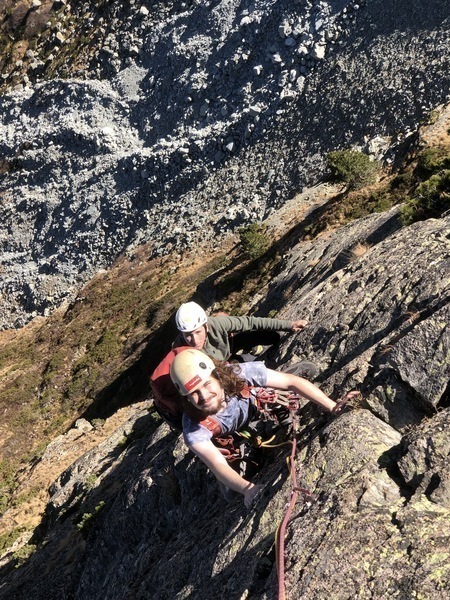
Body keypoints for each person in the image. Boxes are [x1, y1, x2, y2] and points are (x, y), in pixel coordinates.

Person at [170, 348, 359, 508]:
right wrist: (247, 489)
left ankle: (274, 393)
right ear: (186, 397)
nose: (204, 396)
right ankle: (252, 439)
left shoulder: (239, 374)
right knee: (230, 493)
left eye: (206, 384)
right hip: (233, 436)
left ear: (217, 376)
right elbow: (217, 464)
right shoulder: (193, 428)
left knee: (277, 386)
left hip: (256, 409)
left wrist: (332, 406)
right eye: (194, 393)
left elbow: (291, 382)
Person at [173, 301, 308, 361]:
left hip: (227, 349)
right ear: (181, 334)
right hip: (215, 369)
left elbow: (250, 322)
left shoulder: (216, 324)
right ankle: (243, 357)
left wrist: (289, 325)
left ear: (206, 326)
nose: (194, 340)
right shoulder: (180, 351)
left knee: (272, 336)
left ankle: (249, 350)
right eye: (188, 335)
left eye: (198, 332)